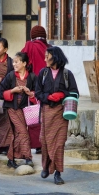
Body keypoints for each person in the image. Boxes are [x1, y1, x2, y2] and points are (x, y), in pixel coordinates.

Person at [35, 46, 79, 185]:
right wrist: (48, 97)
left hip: (61, 113)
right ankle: (46, 167)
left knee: (59, 144)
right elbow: (37, 92)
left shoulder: (67, 74)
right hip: (47, 112)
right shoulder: (43, 73)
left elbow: (74, 93)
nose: (45, 59)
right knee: (45, 141)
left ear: (55, 57)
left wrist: (62, 94)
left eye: (47, 56)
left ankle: (58, 173)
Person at [0, 52, 36, 168]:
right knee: (23, 132)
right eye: (13, 62)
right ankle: (28, 157)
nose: (14, 64)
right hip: (12, 108)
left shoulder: (32, 77)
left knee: (16, 133)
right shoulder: (10, 76)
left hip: (25, 110)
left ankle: (11, 159)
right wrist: (12, 91)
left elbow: (37, 93)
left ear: (24, 63)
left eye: (16, 62)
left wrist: (30, 93)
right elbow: (1, 92)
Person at [21, 25, 52, 154]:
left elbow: (22, 60)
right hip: (50, 86)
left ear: (32, 35)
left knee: (35, 115)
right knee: (47, 115)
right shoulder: (50, 48)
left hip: (34, 85)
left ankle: (38, 144)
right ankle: (47, 143)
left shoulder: (30, 45)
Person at [0, 38, 14, 156]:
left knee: (7, 120)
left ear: (5, 49)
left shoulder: (11, 62)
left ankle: (8, 145)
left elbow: (13, 78)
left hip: (7, 95)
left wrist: (2, 80)